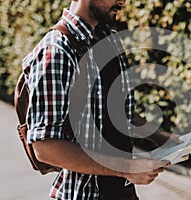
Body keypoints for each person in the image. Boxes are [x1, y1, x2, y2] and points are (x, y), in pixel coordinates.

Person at [22, 0, 180, 199]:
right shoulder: (56, 51)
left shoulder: (111, 40)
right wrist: (126, 169)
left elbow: (120, 113)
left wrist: (161, 138)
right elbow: (45, 147)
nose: (123, 2)